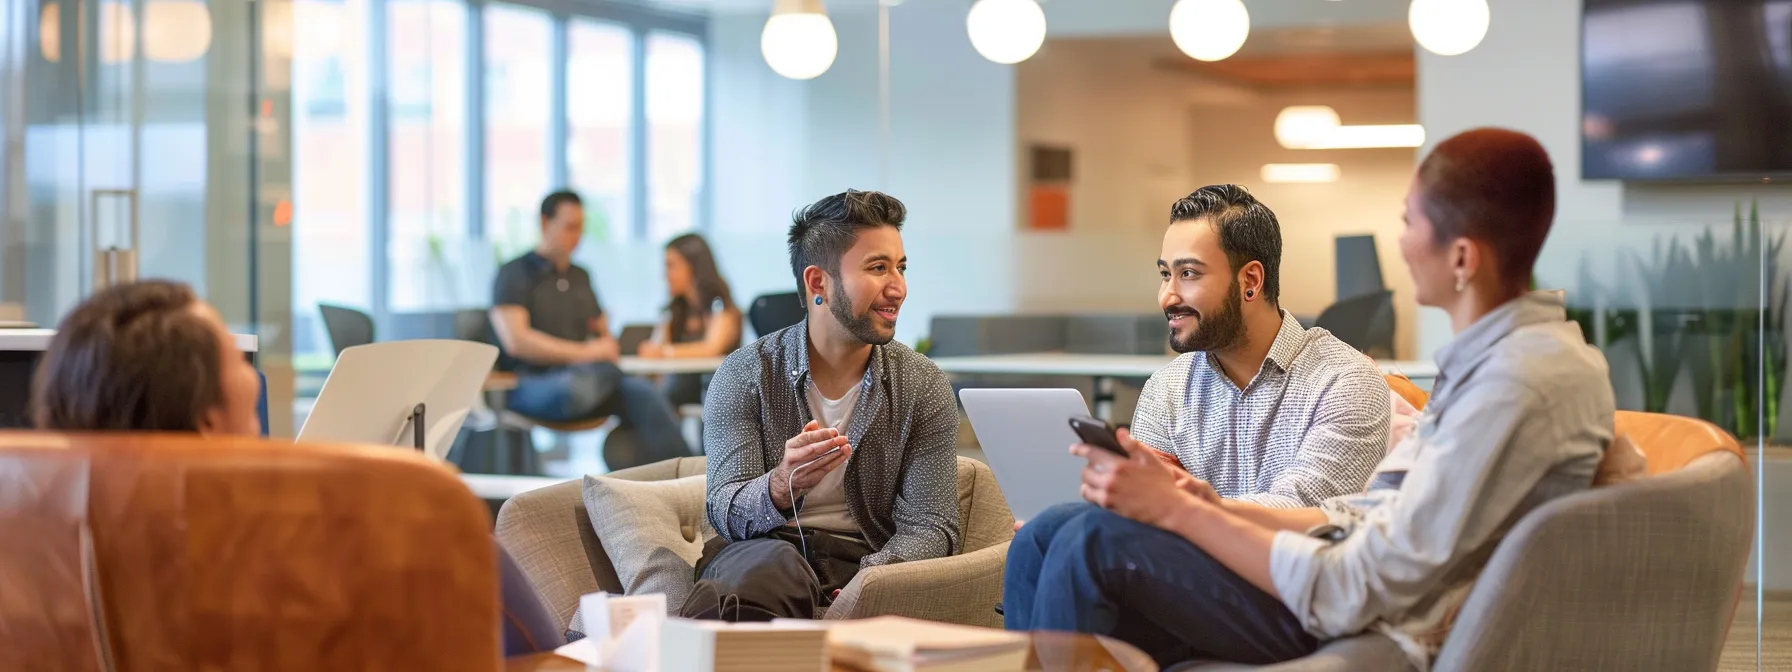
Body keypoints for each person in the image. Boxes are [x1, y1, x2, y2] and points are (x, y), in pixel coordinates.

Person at [1003, 128, 1615, 669]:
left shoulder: (1511, 385)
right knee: (1051, 530)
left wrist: (1181, 511)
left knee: (1091, 541)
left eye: (1409, 222)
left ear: (1460, 256)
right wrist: (1192, 499)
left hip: (1329, 600)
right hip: (1319, 569)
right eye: (1166, 273)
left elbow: (1364, 577)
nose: (1400, 245)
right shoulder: (1499, 369)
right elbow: (1366, 514)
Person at [31, 280, 564, 657]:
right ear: (208, 419)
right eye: (238, 362)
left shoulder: (39, 559)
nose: (254, 379)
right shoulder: (343, 546)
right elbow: (538, 647)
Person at [682, 189, 959, 621]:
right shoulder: (745, 375)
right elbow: (724, 512)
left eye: (901, 268)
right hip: (759, 557)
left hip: (867, 560)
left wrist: (867, 582)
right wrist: (779, 485)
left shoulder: (922, 385)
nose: (898, 288)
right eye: (878, 268)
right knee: (772, 570)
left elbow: (933, 526)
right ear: (818, 283)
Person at [1126, 184, 1390, 508]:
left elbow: (1307, 513)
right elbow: (1145, 510)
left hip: (1290, 556)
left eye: (1189, 273)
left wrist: (1185, 510)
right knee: (1063, 523)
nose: (1167, 296)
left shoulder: (1344, 381)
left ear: (1250, 281)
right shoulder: (1166, 390)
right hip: (1172, 558)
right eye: (1166, 274)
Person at [490, 190, 690, 470]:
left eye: (580, 228)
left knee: (645, 394)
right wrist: (586, 353)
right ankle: (608, 375)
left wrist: (605, 345)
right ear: (545, 223)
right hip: (533, 384)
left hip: (590, 381)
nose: (577, 236)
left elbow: (601, 332)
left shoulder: (580, 276)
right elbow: (516, 341)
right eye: (570, 227)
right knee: (581, 384)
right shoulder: (514, 274)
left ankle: (694, 483)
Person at [636, 233, 742, 406]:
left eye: (671, 266)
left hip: (718, 395)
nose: (666, 275)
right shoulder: (675, 310)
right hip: (679, 391)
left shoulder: (720, 305)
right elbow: (658, 347)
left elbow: (711, 348)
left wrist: (664, 352)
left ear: (693, 266)